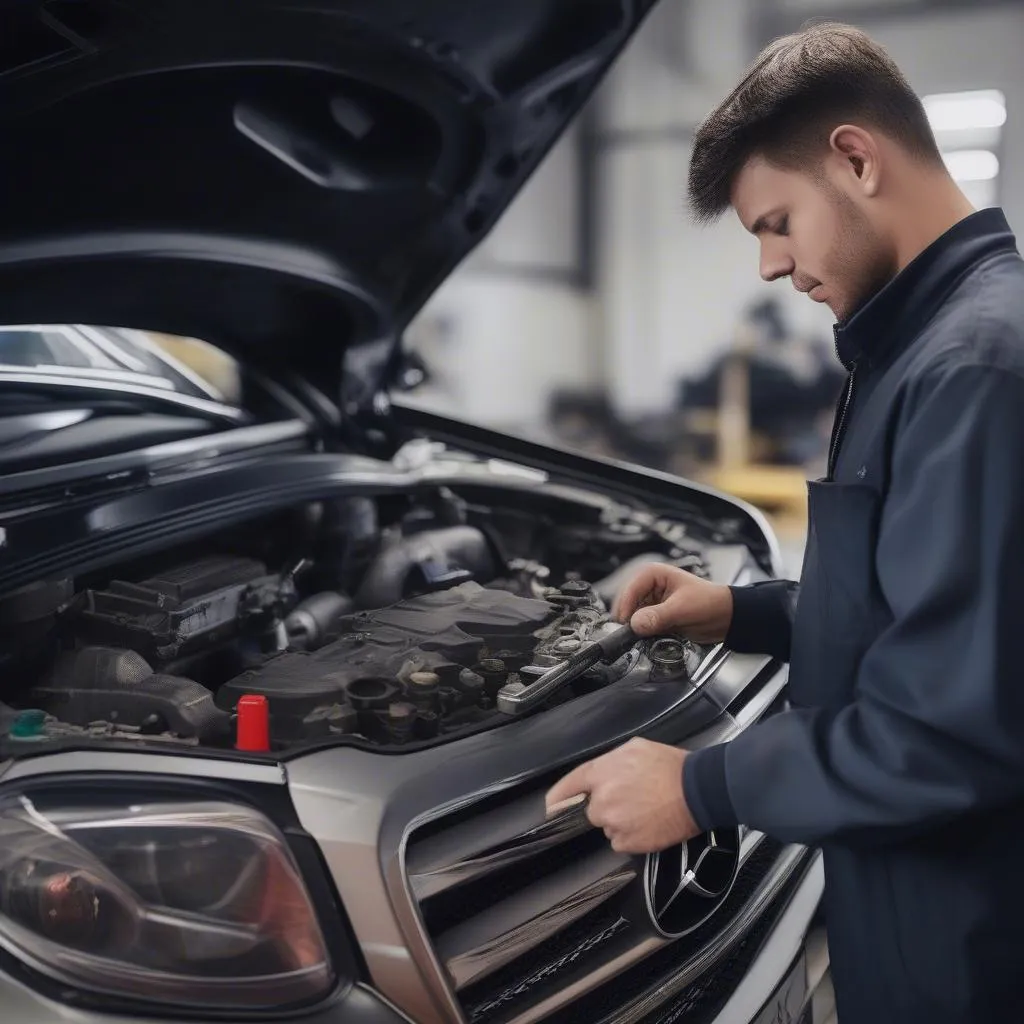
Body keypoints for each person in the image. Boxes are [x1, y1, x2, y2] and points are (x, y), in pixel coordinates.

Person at [545, 22, 1024, 1024]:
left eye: (774, 222)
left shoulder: (969, 369)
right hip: (915, 912)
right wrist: (738, 610)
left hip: (965, 945)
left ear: (854, 158)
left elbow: (949, 731)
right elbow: (927, 617)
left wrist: (703, 787)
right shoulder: (920, 347)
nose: (767, 265)